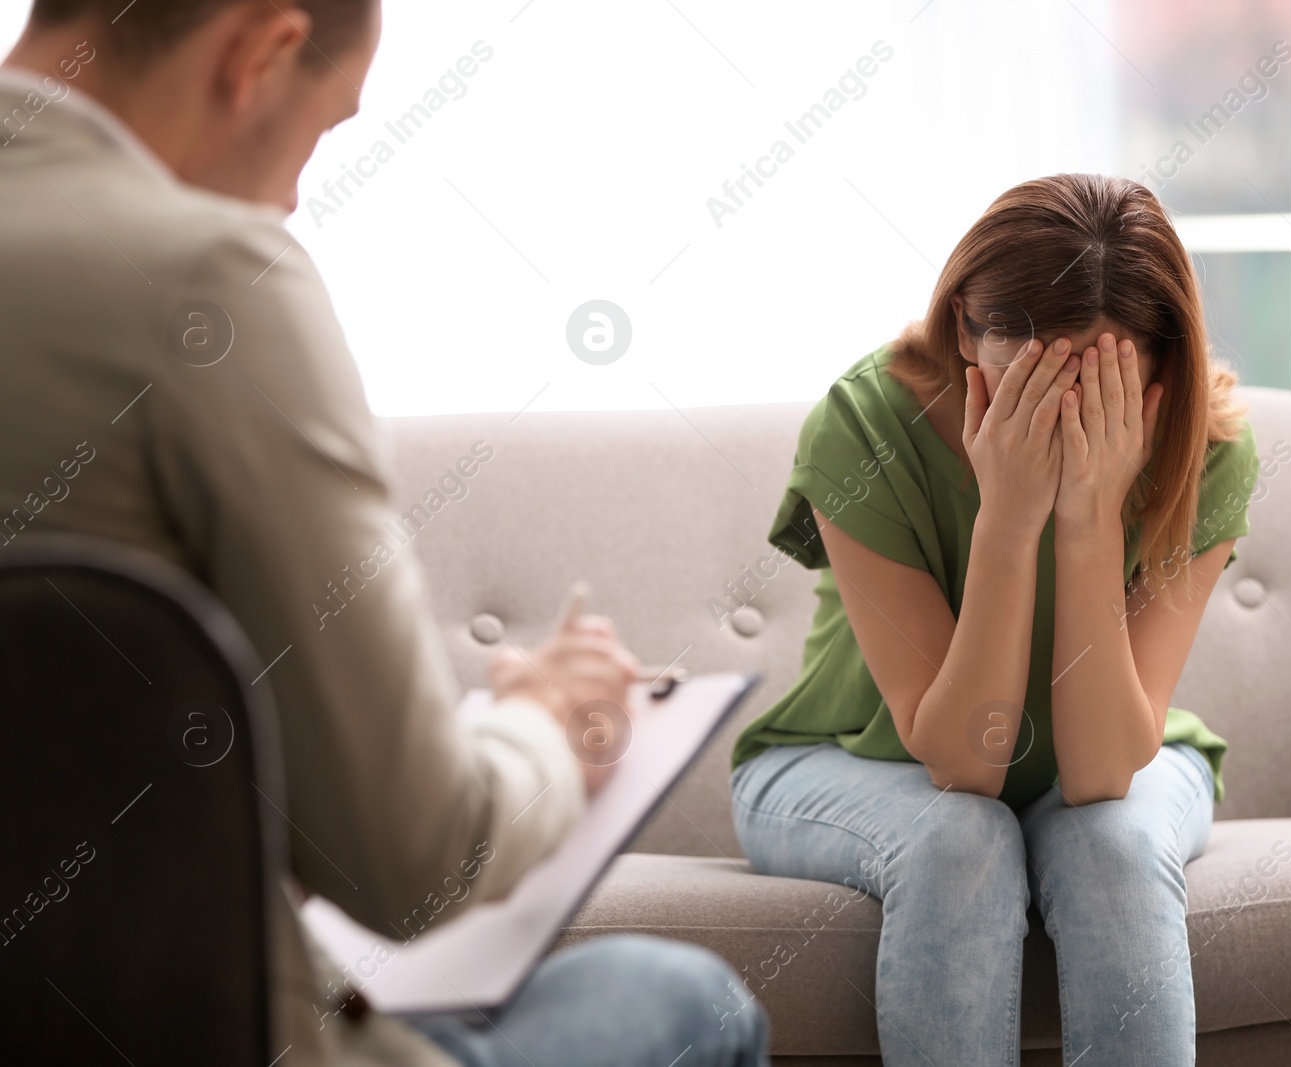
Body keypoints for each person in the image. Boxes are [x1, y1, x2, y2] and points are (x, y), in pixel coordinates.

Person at [0, 2, 769, 1065]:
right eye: (321, 130)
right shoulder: (209, 284)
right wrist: (549, 724)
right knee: (685, 994)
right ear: (261, 53)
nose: (292, 196)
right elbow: (418, 865)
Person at [729, 173, 1259, 1066]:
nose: (1054, 421)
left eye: (1093, 388)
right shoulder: (863, 425)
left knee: (1116, 845)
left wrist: (1090, 517)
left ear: (1162, 369)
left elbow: (1098, 773)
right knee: (959, 839)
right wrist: (1009, 518)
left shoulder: (1208, 447)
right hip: (844, 754)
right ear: (965, 333)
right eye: (1026, 388)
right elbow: (966, 760)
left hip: (1126, 749)